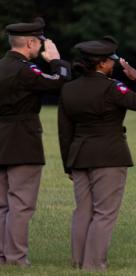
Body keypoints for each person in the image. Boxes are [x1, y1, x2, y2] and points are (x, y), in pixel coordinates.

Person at [58, 36, 136, 271]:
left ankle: (78, 262)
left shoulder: (68, 89)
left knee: (83, 211)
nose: (113, 65)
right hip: (109, 157)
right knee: (104, 213)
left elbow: (65, 132)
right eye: (111, 61)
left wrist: (68, 164)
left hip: (79, 156)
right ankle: (94, 264)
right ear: (103, 63)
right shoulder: (113, 88)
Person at [0, 17, 70, 267]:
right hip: (22, 142)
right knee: (21, 204)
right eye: (39, 43)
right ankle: (16, 258)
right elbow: (59, 83)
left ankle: (2, 255)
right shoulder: (25, 70)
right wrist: (57, 61)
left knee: (2, 205)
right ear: (30, 42)